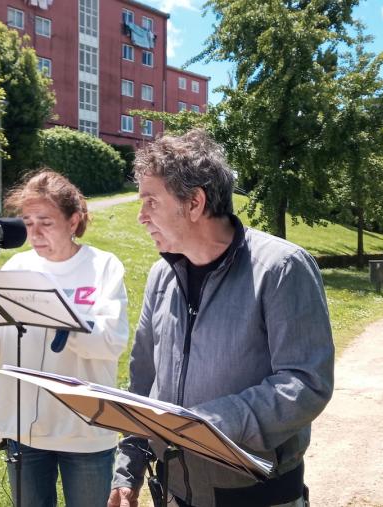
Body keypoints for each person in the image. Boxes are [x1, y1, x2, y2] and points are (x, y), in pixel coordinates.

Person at [109, 129, 334, 507]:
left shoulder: (281, 268)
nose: (140, 216)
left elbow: (305, 383)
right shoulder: (160, 276)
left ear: (194, 203)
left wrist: (204, 424)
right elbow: (143, 383)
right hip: (175, 491)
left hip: (258, 495)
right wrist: (128, 466)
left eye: (151, 201)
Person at [0, 169, 129, 507]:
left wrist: (58, 315)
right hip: (23, 431)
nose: (34, 233)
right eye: (27, 222)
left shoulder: (103, 266)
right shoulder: (18, 265)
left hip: (84, 432)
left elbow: (111, 342)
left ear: (74, 220)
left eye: (45, 222)